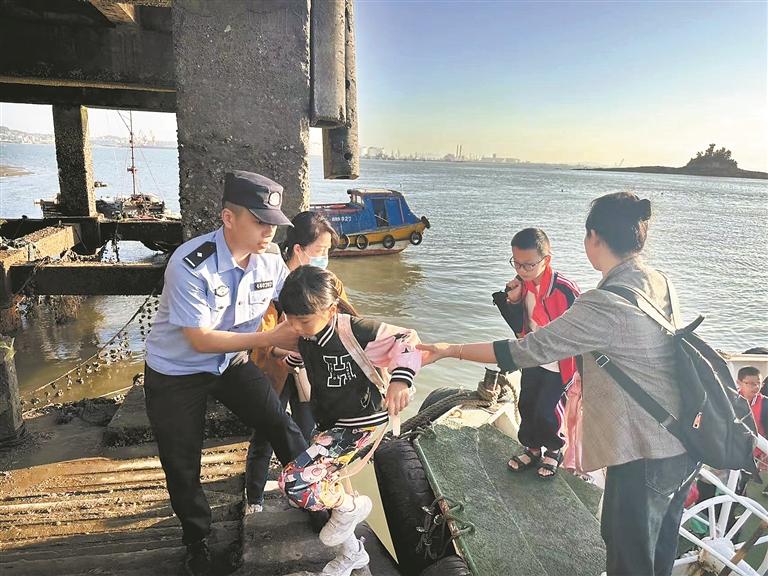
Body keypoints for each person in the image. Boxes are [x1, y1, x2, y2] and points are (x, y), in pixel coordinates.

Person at [419, 192, 700, 576]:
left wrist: (450, 349)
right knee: (659, 551)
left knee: (629, 557)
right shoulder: (657, 280)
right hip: (683, 441)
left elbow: (526, 349)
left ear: (594, 238)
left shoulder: (602, 302)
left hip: (644, 451)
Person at [143, 171, 308, 576]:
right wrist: (271, 337)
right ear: (229, 218)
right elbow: (200, 339)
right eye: (260, 221)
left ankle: (314, 495)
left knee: (279, 423)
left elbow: (298, 305)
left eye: (273, 223)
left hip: (230, 362)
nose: (269, 231)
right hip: (176, 371)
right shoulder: (190, 264)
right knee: (182, 461)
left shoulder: (270, 261)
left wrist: (350, 334)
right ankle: (196, 539)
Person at [276, 266, 421, 576]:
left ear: (330, 310)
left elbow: (408, 338)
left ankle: (350, 507)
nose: (296, 327)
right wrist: (291, 357)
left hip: (363, 422)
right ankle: (353, 553)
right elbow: (306, 354)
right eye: (290, 319)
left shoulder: (354, 330)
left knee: (295, 482)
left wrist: (401, 379)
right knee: (331, 484)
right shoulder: (307, 335)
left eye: (303, 321)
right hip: (330, 423)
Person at [245, 211, 358, 515]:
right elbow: (260, 335)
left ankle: (308, 493)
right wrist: (281, 351)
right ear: (298, 249)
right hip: (276, 370)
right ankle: (254, 498)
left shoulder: (327, 283)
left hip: (311, 373)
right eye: (320, 251)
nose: (325, 258)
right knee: (267, 430)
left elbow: (349, 322)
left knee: (310, 433)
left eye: (327, 251)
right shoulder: (272, 282)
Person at [494, 228, 580, 478]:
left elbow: (583, 330)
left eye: (528, 265)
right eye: (516, 263)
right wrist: (512, 300)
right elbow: (520, 325)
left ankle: (554, 450)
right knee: (527, 403)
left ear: (546, 259)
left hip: (559, 363)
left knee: (548, 409)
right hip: (532, 356)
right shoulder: (522, 285)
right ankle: (532, 448)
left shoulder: (565, 290)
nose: (522, 270)